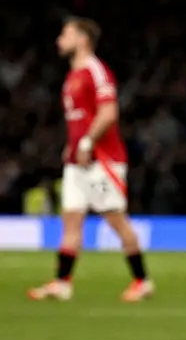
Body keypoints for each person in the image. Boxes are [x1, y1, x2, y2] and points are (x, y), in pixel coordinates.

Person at [28, 17, 153, 303]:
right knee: (71, 221)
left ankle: (142, 281)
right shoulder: (73, 75)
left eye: (66, 34)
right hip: (78, 160)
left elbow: (109, 113)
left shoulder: (96, 71)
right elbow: (79, 118)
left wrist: (86, 142)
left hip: (101, 160)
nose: (60, 40)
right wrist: (71, 146)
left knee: (116, 221)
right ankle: (62, 283)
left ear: (83, 39)